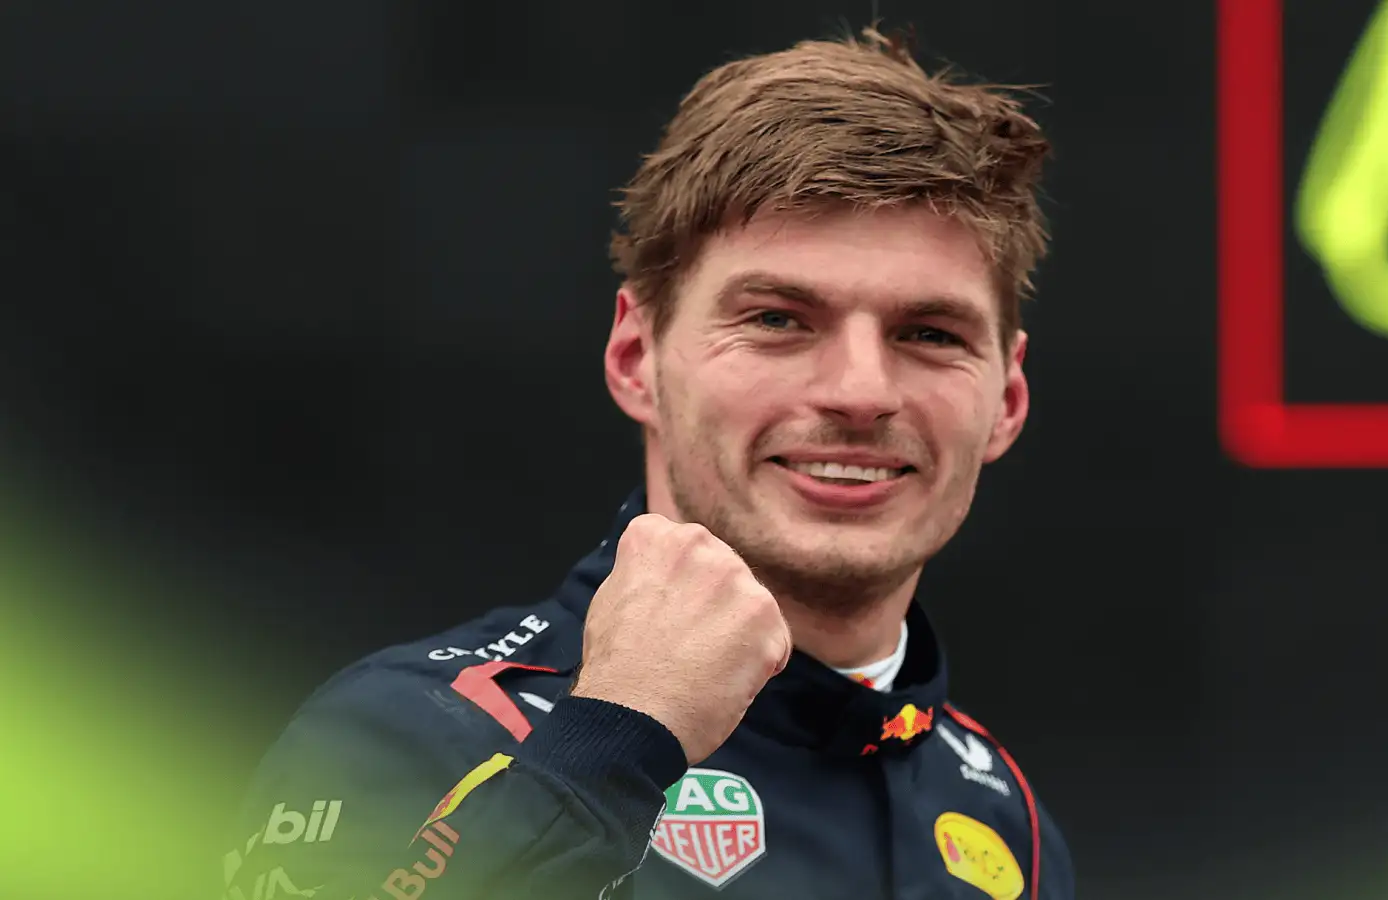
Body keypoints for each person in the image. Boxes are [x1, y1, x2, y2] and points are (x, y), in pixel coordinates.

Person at [223, 25, 1070, 900]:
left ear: (1007, 399)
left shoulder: (1009, 822)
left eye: (930, 334)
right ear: (636, 358)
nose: (861, 392)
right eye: (778, 319)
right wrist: (611, 745)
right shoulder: (408, 731)